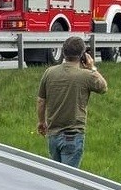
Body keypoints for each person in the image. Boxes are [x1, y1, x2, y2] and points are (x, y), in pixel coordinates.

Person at [36, 36, 108, 168]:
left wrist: (41, 122)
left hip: (53, 135)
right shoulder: (86, 75)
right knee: (68, 181)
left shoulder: (49, 73)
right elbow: (103, 87)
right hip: (73, 135)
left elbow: (41, 101)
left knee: (55, 176)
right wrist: (92, 67)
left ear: (63, 52)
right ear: (83, 55)